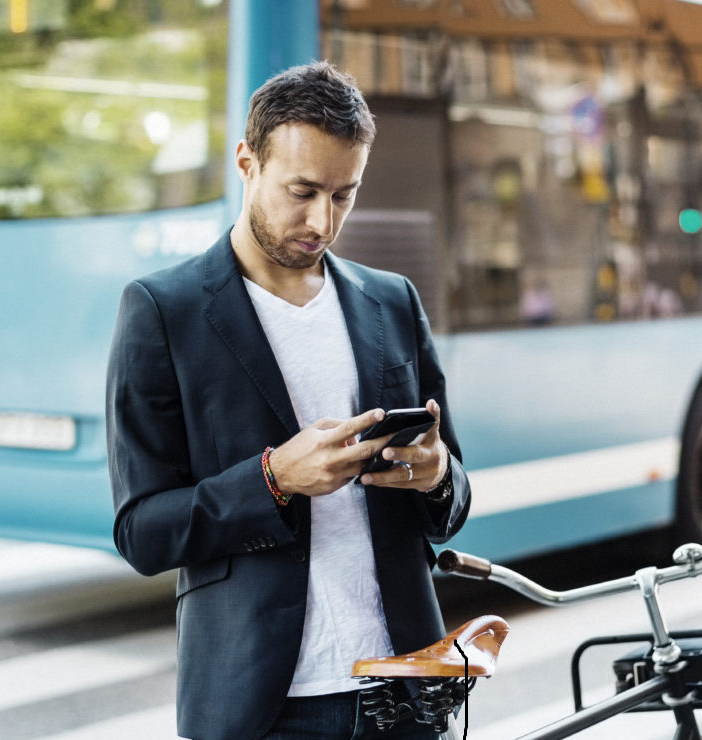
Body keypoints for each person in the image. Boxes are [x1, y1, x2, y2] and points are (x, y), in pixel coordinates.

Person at [106, 61, 471, 740]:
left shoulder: (392, 301)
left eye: (344, 195)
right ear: (248, 163)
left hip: (405, 689)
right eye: (302, 191)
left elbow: (453, 498)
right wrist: (273, 480)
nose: (322, 220)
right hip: (263, 707)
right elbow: (143, 531)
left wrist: (438, 475)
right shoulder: (163, 310)